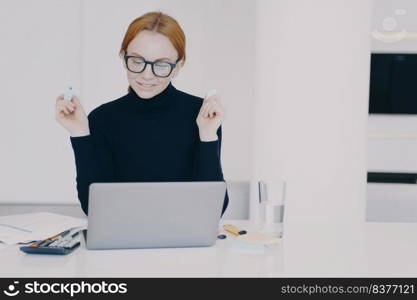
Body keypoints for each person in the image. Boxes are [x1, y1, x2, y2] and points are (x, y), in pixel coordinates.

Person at [55, 11, 229, 216]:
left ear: (178, 66)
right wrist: (80, 133)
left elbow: (214, 208)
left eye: (161, 65)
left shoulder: (200, 115)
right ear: (123, 57)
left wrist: (208, 136)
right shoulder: (102, 119)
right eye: (137, 61)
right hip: (121, 244)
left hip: (185, 244)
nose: (147, 75)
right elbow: (93, 207)